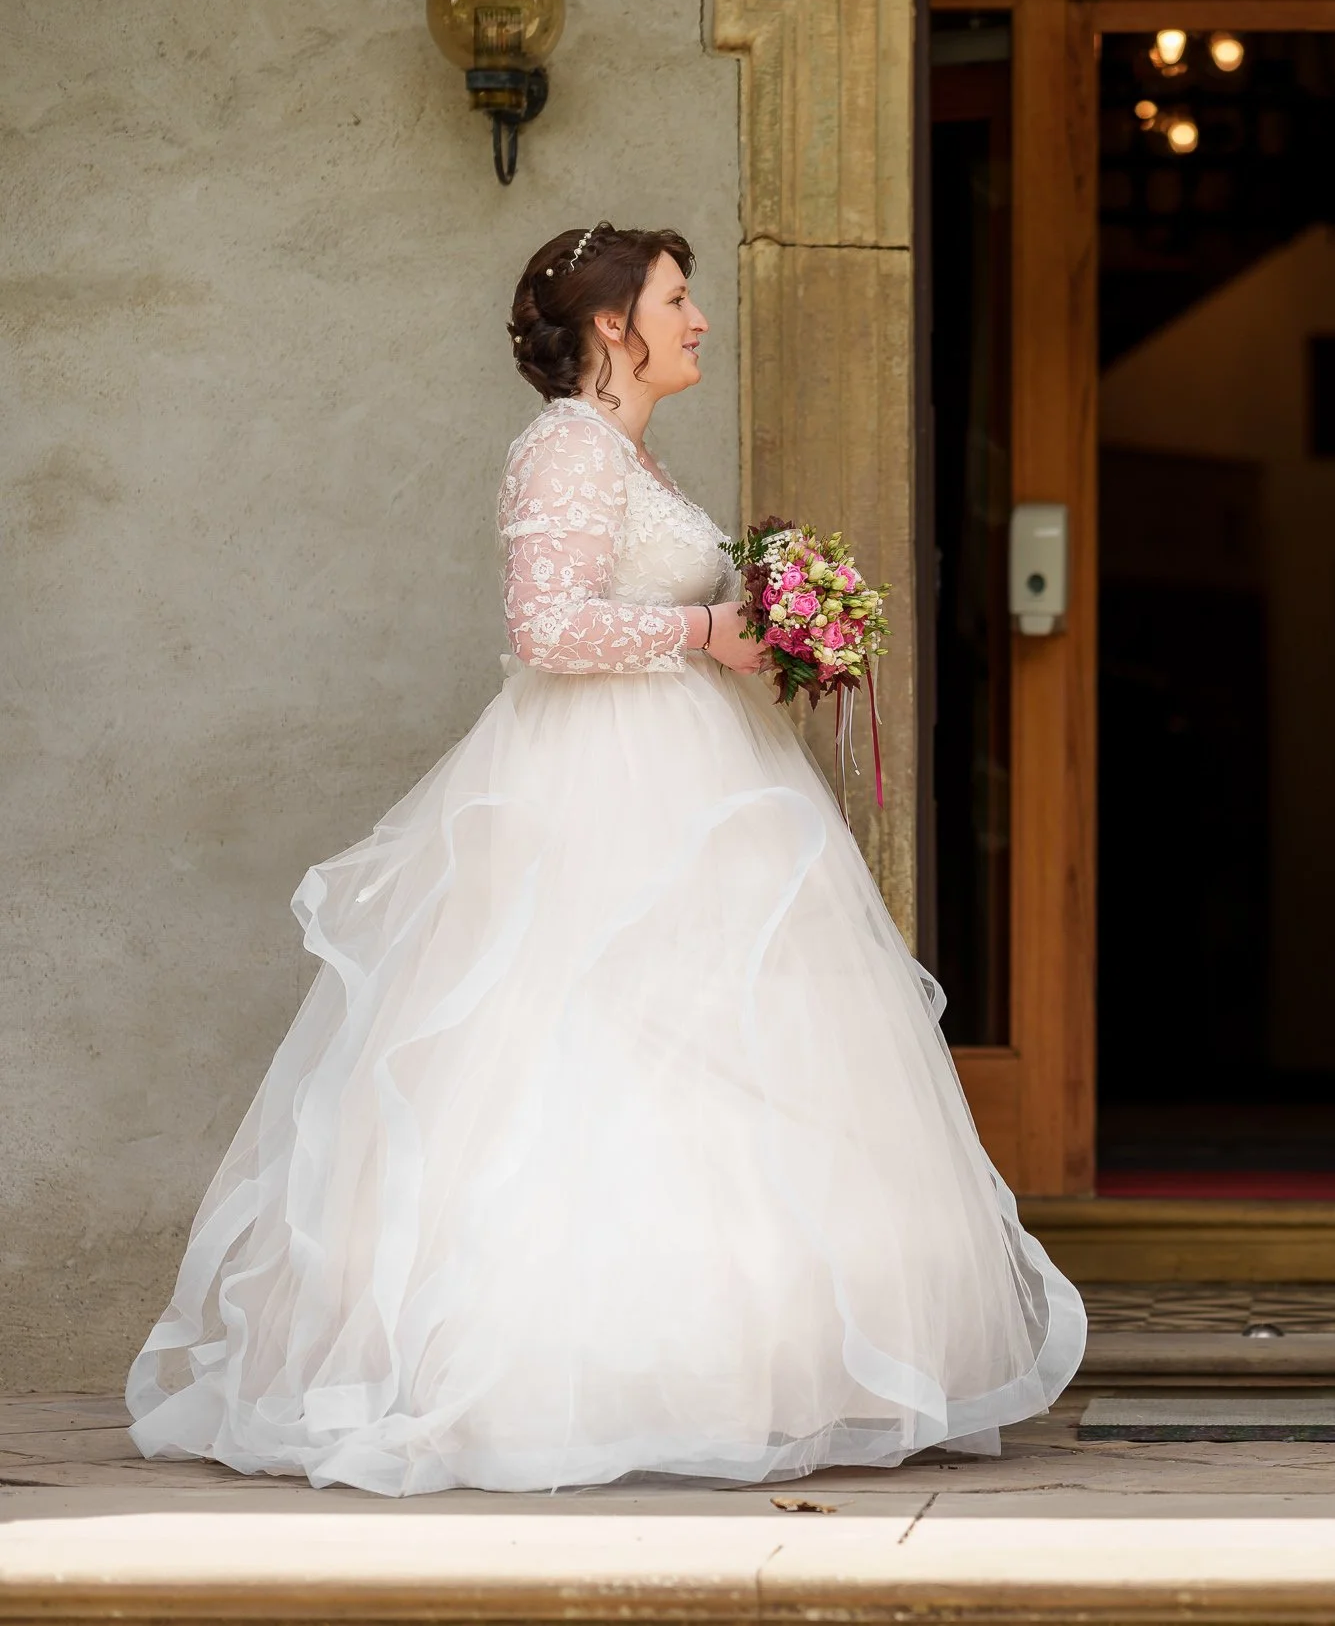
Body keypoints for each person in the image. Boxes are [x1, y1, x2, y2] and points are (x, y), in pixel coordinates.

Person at [125, 223, 1084, 1495]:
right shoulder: (567, 446)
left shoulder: (625, 453)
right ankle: (571, 1377)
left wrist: (762, 626)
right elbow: (546, 626)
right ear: (612, 323)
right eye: (677, 299)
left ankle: (748, 1367)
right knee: (587, 1039)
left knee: (723, 1050)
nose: (698, 319)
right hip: (605, 786)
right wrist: (709, 627)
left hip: (694, 773)